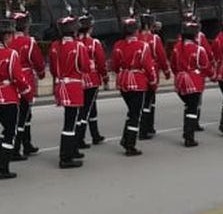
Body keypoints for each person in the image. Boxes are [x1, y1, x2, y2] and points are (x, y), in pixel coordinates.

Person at [0, 19, 31, 180]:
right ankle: (2, 167)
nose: (12, 38)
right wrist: (27, 92)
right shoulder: (11, 54)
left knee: (7, 129)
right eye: (10, 35)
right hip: (9, 97)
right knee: (11, 132)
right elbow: (18, 77)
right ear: (5, 36)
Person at [110, 17, 156, 156]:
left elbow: (115, 66)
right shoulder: (143, 45)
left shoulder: (118, 45)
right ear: (136, 31)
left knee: (132, 112)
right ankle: (130, 144)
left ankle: (126, 139)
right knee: (136, 114)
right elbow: (148, 66)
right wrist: (153, 81)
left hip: (123, 81)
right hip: (137, 81)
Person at [50, 15, 92, 168]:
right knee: (70, 123)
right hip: (73, 87)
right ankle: (65, 157)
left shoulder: (55, 45)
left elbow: (54, 70)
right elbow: (85, 67)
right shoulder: (78, 46)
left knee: (71, 121)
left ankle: (72, 150)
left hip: (61, 85)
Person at [171, 19, 212, 147]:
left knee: (189, 106)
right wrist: (212, 75)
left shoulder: (177, 48)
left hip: (180, 81)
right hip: (193, 82)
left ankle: (187, 131)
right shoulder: (199, 49)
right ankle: (189, 136)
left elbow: (173, 65)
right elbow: (205, 66)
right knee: (192, 109)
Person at [10, 11, 44, 159]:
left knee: (26, 115)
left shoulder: (7, 40)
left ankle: (27, 143)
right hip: (25, 81)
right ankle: (16, 148)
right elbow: (38, 60)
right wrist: (41, 72)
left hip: (10, 82)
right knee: (22, 115)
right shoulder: (29, 41)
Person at [138, 12, 171, 139]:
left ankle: (148, 126)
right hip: (151, 71)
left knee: (144, 101)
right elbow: (162, 57)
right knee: (149, 101)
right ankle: (146, 128)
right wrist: (166, 71)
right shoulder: (154, 39)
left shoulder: (137, 36)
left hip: (139, 74)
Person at [78, 13, 108, 146]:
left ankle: (95, 134)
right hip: (91, 78)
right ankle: (80, 137)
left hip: (78, 79)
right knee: (86, 109)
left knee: (90, 107)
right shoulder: (94, 43)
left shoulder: (76, 42)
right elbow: (101, 62)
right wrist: (105, 76)